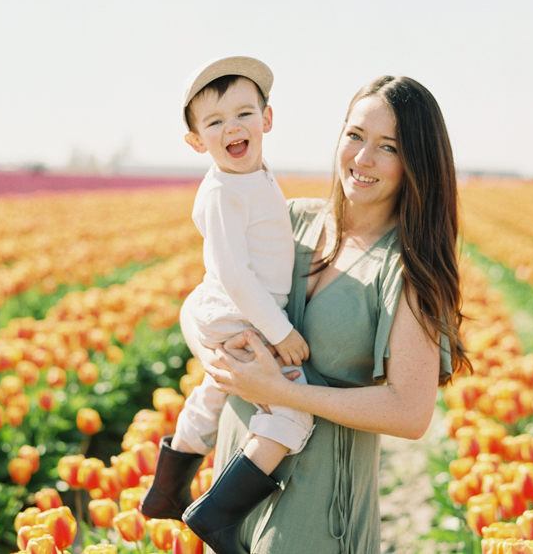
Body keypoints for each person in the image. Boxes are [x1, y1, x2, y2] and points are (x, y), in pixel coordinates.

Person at [188, 75, 472, 554]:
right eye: (355, 136)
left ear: (416, 163)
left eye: (389, 147)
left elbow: (410, 412)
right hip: (234, 494)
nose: (363, 159)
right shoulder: (289, 219)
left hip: (318, 516)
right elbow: (207, 297)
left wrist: (278, 390)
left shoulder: (408, 271)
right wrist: (216, 356)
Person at [140, 56, 315, 553]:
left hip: (237, 313)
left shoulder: (254, 175)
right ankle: (218, 513)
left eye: (243, 114)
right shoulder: (220, 193)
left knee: (214, 391)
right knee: (293, 411)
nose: (231, 128)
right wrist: (278, 332)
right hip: (242, 315)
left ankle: (167, 489)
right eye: (214, 122)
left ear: (268, 120)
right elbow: (234, 273)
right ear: (197, 142)